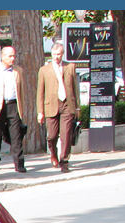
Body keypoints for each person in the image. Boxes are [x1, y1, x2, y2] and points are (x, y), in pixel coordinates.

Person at [36, 42, 80, 173]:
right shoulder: (44, 70)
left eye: (59, 54)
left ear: (62, 54)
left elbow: (75, 88)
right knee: (52, 136)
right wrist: (40, 112)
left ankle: (64, 161)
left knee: (66, 134)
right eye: (54, 54)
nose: (56, 57)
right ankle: (53, 154)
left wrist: (77, 107)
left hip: (67, 104)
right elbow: (40, 92)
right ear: (51, 54)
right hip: (51, 105)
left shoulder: (70, 67)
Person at [0, 46, 27, 173]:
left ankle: (19, 163)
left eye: (14, 56)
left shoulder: (18, 71)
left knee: (16, 135)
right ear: (3, 56)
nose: (12, 58)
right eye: (10, 56)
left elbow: (21, 90)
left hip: (13, 105)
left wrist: (22, 107)